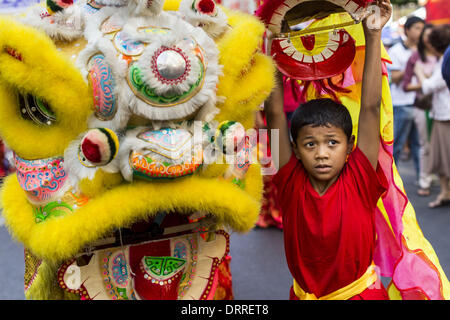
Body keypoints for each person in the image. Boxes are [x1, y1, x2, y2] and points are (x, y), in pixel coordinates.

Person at [264, 0, 392, 300]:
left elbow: (371, 108)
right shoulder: (290, 178)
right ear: (295, 150)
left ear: (350, 148)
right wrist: (270, 43)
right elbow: (275, 116)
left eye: (332, 143)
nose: (321, 153)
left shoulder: (360, 174)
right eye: (310, 144)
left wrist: (373, 34)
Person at [413, 24, 450, 208]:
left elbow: (428, 86)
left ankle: (445, 192)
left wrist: (419, 72)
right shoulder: (444, 60)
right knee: (441, 157)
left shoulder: (445, 61)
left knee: (444, 158)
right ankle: (445, 192)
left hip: (445, 117)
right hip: (441, 115)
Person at [388, 16, 425, 181]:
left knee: (419, 144)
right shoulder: (396, 50)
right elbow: (394, 77)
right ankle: (391, 180)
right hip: (401, 103)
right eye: (417, 28)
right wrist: (410, 65)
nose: (420, 31)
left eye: (421, 28)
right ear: (407, 30)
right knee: (397, 144)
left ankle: (422, 178)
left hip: (420, 103)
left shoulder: (423, 49)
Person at [402, 24, 437, 196]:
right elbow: (405, 86)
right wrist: (426, 84)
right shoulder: (415, 58)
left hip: (443, 108)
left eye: (433, 36)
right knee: (425, 145)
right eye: (427, 36)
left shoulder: (443, 56)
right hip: (422, 107)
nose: (429, 40)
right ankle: (425, 181)